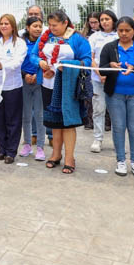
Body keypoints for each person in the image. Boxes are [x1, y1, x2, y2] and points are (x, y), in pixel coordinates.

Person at [99, 16, 134, 178]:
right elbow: (101, 70)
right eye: (120, 30)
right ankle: (121, 161)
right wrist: (110, 66)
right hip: (115, 95)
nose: (123, 34)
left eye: (127, 30)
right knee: (118, 127)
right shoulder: (109, 48)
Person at [38, 10, 92, 175]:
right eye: (50, 25)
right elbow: (33, 55)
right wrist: (40, 62)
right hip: (48, 85)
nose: (52, 28)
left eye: (55, 25)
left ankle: (70, 158)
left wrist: (68, 65)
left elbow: (87, 60)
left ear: (65, 23)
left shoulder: (77, 39)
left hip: (68, 87)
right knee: (54, 123)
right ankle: (56, 154)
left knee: (68, 123)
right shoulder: (46, 37)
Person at [0, 14, 28, 164]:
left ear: (13, 26)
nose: (3, 26)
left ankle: (11, 151)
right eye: (1, 23)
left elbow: (17, 62)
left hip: (12, 86)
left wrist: (3, 65)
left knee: (13, 119)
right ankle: (2, 149)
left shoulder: (20, 43)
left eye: (7, 24)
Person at [88, 10, 118, 153]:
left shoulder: (119, 35)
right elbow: (91, 58)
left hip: (117, 79)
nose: (104, 22)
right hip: (97, 79)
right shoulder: (94, 37)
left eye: (107, 19)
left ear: (113, 20)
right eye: (102, 19)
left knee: (116, 110)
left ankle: (117, 141)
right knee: (98, 109)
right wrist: (100, 74)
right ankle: (98, 139)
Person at [19, 16, 45, 161]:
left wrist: (36, 75)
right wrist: (25, 75)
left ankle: (40, 147)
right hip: (23, 81)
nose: (38, 29)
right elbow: (17, 61)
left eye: (40, 26)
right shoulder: (21, 42)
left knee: (40, 115)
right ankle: (27, 144)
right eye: (35, 26)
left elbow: (47, 60)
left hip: (39, 81)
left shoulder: (44, 42)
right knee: (26, 115)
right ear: (28, 28)